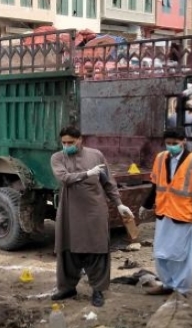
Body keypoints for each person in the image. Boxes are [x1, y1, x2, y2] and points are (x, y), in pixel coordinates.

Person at [50, 125, 133, 307]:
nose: (66, 145)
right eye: (63, 142)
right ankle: (67, 287)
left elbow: (108, 183)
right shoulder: (57, 158)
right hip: (69, 212)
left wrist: (119, 204)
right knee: (68, 249)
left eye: (70, 142)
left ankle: (98, 290)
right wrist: (87, 173)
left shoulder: (96, 155)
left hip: (94, 210)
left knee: (97, 248)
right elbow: (64, 178)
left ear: (80, 139)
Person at [139, 128, 192, 296]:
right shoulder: (160, 158)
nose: (171, 146)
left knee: (180, 255)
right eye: (168, 143)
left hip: (184, 215)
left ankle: (181, 288)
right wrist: (146, 204)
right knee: (161, 252)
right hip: (164, 212)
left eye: (175, 143)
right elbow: (155, 185)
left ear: (184, 142)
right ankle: (167, 283)